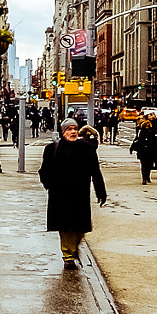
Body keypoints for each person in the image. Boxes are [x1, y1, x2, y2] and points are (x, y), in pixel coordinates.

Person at [39, 112, 107, 269]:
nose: (73, 132)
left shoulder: (87, 149)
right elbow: (43, 172)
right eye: (69, 129)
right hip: (60, 195)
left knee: (81, 228)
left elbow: (95, 171)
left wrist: (101, 192)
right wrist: (50, 186)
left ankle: (73, 248)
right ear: (63, 132)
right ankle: (68, 256)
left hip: (80, 195)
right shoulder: (52, 149)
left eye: (75, 129)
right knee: (65, 227)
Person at [131, 119, 157, 185]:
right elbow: (137, 140)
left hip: (148, 151)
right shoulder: (142, 132)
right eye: (146, 125)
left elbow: (155, 142)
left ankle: (147, 177)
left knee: (147, 165)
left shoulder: (151, 132)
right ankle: (145, 178)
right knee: (145, 165)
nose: (147, 126)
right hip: (145, 151)